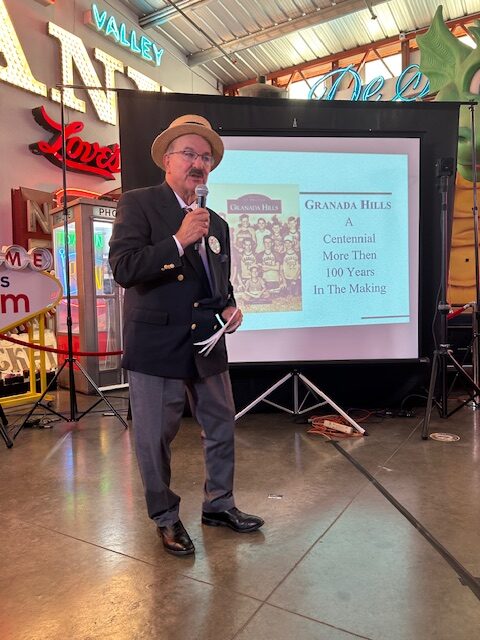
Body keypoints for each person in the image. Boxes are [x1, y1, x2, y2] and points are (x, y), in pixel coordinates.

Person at [109, 114, 264, 557]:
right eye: (190, 154)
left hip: (207, 340)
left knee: (221, 426)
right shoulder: (138, 204)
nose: (199, 164)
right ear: (168, 160)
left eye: (206, 157)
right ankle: (165, 517)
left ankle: (219, 505)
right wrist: (177, 241)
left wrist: (229, 305)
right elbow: (124, 269)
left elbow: (218, 281)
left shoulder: (217, 223)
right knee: (154, 438)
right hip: (157, 343)